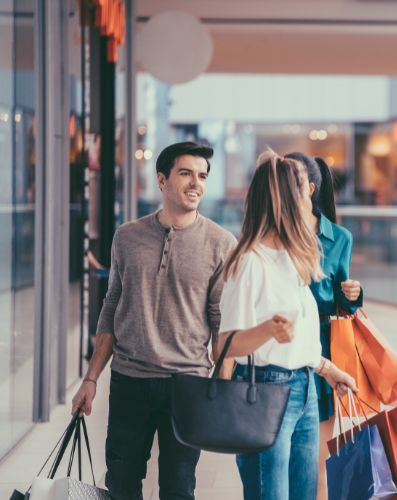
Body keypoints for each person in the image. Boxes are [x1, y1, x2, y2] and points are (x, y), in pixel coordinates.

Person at [71, 141, 238, 499]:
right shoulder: (127, 237)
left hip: (188, 384)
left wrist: (221, 387)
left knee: (178, 488)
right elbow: (112, 306)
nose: (195, 183)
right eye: (186, 173)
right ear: (162, 180)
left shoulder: (221, 243)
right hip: (129, 379)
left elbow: (220, 321)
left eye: (202, 176)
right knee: (121, 484)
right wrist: (91, 377)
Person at [216, 150, 357, 500]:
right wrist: (267, 330)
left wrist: (327, 369)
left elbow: (300, 339)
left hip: (306, 386)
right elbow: (225, 345)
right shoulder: (250, 262)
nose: (310, 198)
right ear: (284, 201)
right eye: (301, 190)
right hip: (266, 390)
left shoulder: (294, 258)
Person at [284, 152, 362, 500]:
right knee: (282, 461)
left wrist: (353, 294)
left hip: (321, 351)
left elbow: (342, 300)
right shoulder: (273, 233)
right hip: (279, 350)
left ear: (309, 188)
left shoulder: (339, 237)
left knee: (317, 463)